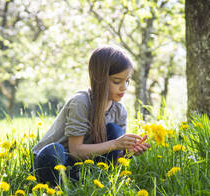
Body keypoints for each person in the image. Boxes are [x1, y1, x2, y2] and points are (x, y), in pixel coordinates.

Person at [32, 45, 151, 185]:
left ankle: (87, 183)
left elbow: (112, 155)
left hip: (82, 163)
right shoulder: (80, 102)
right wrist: (115, 144)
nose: (124, 87)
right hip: (53, 159)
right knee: (54, 151)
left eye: (127, 81)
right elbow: (75, 151)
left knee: (115, 130)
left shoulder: (119, 111)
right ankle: (58, 188)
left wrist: (126, 152)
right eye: (117, 81)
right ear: (100, 79)